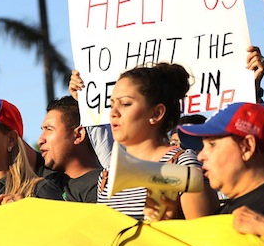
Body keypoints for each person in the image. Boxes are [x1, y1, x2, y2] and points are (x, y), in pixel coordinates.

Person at [0, 38, 101, 203]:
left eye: (49, 129)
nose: (40, 139)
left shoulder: (104, 185)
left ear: (78, 135)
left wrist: (87, 101)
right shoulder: (46, 179)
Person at [72, 64, 220, 221]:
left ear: (157, 113)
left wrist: (169, 223)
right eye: (112, 104)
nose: (114, 113)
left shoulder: (182, 165)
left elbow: (205, 236)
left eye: (126, 104)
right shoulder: (107, 176)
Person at [178, 102, 264, 244]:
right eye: (202, 146)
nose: (200, 156)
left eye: (212, 144)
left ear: (247, 148)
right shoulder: (221, 214)